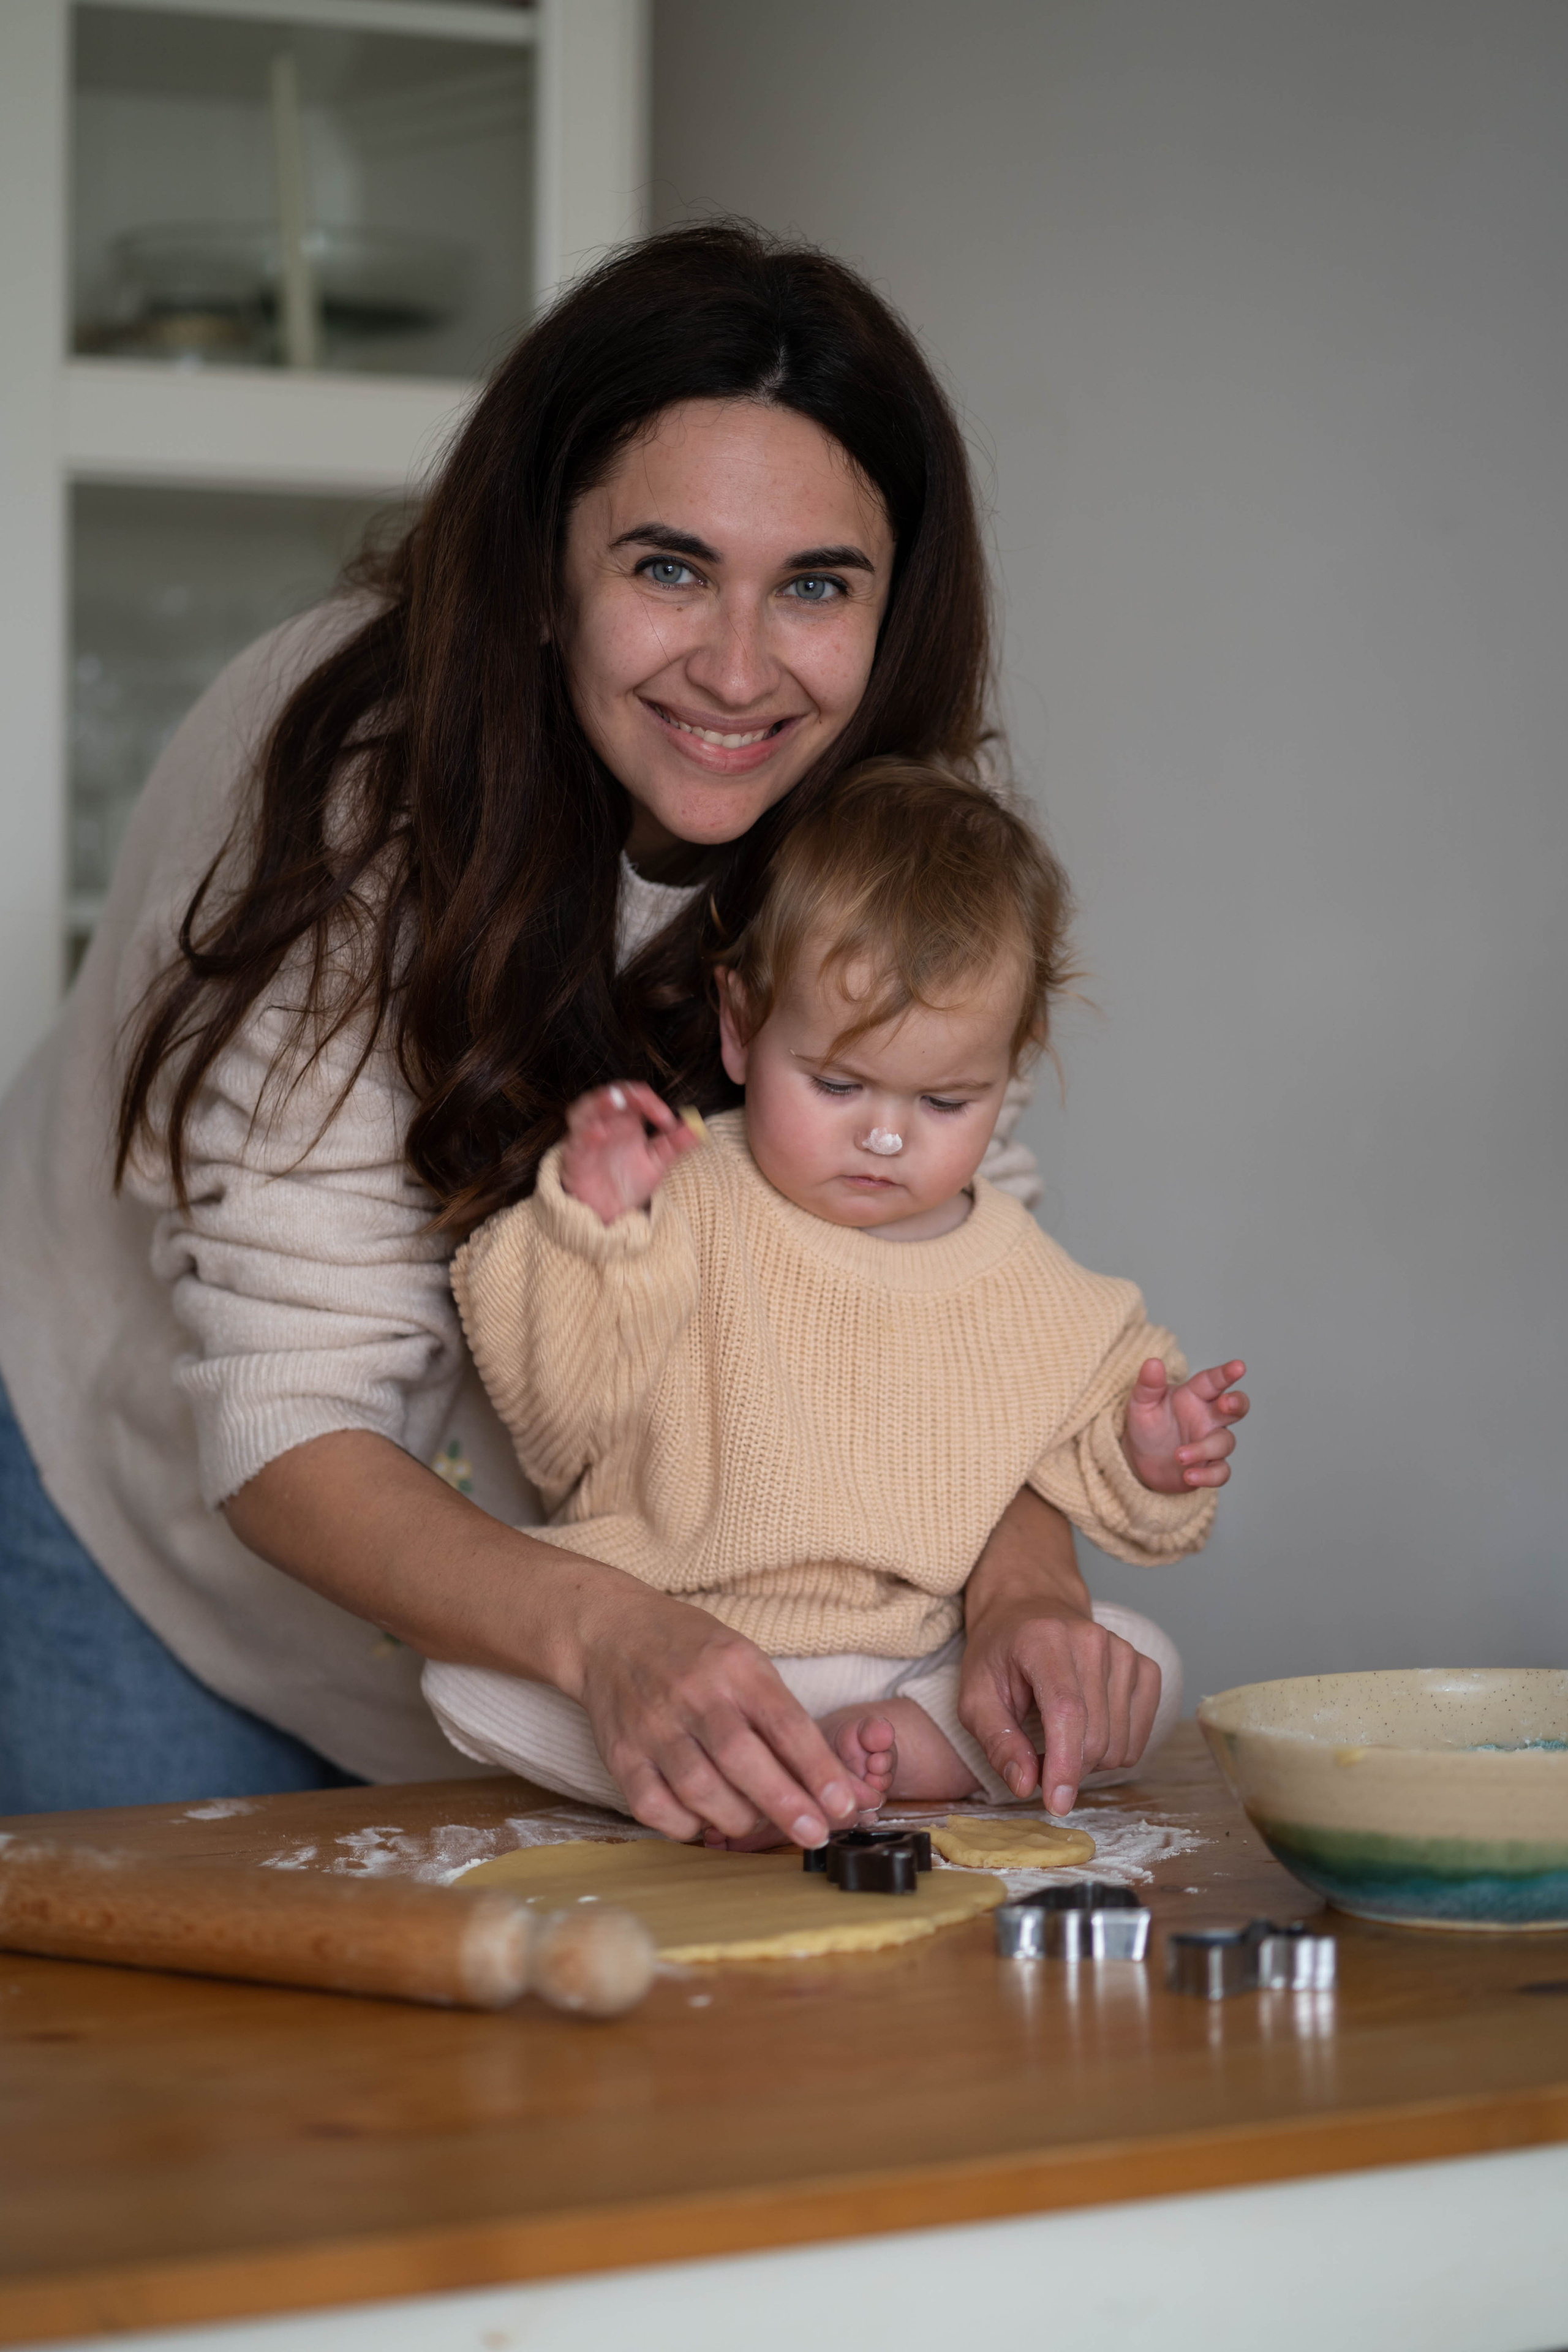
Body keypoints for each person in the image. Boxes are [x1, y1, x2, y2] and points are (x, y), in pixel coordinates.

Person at [0, 223, 1199, 1838]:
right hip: (157, 1552)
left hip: (593, 1643)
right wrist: (610, 1635)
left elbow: (944, 1287)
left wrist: (1025, 1596)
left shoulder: (869, 824)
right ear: (547, 575)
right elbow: (291, 1413)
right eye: (669, 566)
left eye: (817, 585)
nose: (738, 667)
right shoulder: (342, 792)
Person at [426, 762, 1247, 1836]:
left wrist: (1151, 1448)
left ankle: (865, 1759)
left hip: (912, 1651)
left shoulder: (1024, 1269)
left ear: (1011, 1071)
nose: (889, 1137)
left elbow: (1088, 1449)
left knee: (1136, 1659)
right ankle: (782, 1775)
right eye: (839, 1085)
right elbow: (558, 1414)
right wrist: (599, 1228)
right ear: (740, 1024)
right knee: (462, 1677)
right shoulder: (686, 1193)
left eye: (948, 1100)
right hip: (675, 1641)